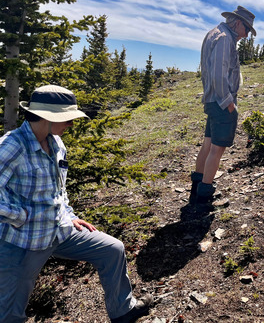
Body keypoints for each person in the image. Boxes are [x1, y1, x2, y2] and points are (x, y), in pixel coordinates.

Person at [0, 85, 152, 323]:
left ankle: (123, 310)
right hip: (22, 242)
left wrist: (69, 215)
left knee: (112, 250)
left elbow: (58, 189)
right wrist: (19, 217)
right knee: (8, 313)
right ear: (47, 117)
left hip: (60, 229)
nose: (71, 125)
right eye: (67, 119)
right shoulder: (12, 146)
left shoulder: (57, 143)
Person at [190, 6, 257, 206]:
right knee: (217, 149)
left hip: (212, 100)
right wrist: (228, 103)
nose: (246, 36)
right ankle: (205, 192)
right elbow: (219, 74)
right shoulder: (225, 39)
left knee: (208, 144)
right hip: (221, 102)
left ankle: (198, 185)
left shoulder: (214, 34)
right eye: (247, 30)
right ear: (238, 23)